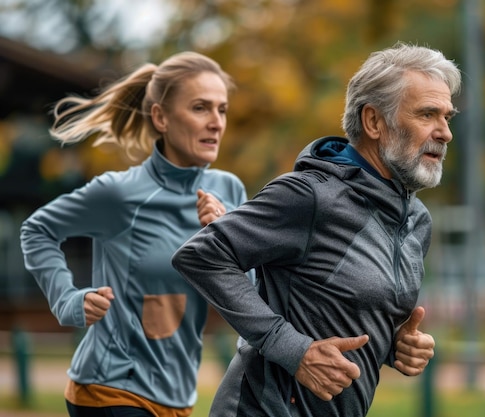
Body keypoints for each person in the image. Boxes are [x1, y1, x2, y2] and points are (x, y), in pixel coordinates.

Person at [171, 42, 461, 417]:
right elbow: (201, 256)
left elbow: (340, 307)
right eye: (427, 115)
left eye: (447, 117)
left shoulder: (417, 222)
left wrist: (395, 345)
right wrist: (294, 350)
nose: (445, 133)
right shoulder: (310, 196)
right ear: (374, 121)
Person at [20, 51, 250, 417]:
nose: (216, 123)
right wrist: (66, 299)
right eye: (200, 108)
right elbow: (38, 229)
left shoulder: (230, 191)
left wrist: (224, 236)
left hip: (176, 396)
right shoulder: (120, 193)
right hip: (111, 389)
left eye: (221, 110)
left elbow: (248, 295)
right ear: (160, 117)